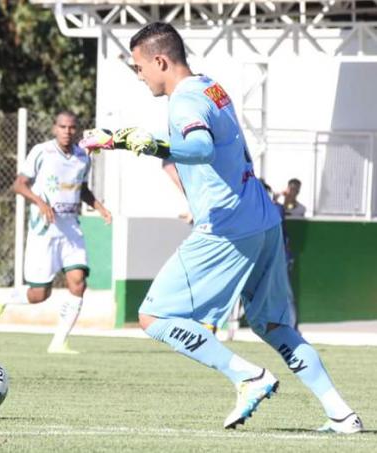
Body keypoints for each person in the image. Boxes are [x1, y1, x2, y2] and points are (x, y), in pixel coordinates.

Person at [81, 22, 361, 433]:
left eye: (139, 67)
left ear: (160, 61)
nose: (138, 76)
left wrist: (153, 145)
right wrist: (124, 141)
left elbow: (200, 146)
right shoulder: (210, 86)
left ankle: (248, 376)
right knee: (273, 325)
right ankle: (342, 414)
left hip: (228, 228)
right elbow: (205, 147)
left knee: (154, 316)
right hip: (262, 217)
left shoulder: (183, 102)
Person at [0, 110, 112, 354]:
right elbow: (19, 184)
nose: (67, 131)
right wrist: (41, 203)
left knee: (78, 282)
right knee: (39, 294)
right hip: (44, 230)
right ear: (55, 128)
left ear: (76, 130)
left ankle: (59, 342)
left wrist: (100, 207)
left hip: (71, 228)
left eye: (71, 127)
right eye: (62, 127)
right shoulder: (41, 152)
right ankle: (4, 299)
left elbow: (81, 188)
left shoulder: (82, 156)